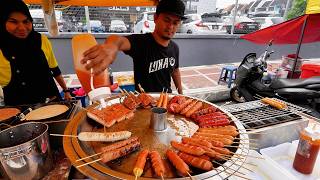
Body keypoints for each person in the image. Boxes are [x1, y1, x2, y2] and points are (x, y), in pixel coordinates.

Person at [81, 0, 185, 94]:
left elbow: (175, 71)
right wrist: (111, 45)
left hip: (166, 100)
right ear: (155, 18)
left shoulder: (175, 48)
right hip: (143, 104)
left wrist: (181, 93)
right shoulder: (141, 42)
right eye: (167, 20)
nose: (171, 27)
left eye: (175, 23)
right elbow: (120, 41)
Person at [0, 0, 72, 105]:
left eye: (26, 21)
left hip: (51, 102)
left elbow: (54, 69)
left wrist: (66, 91)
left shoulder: (41, 40)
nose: (22, 28)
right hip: (19, 109)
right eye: (14, 22)